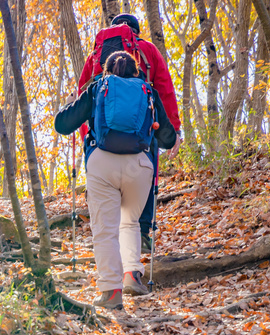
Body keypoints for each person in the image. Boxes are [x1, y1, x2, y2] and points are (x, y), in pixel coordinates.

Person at [55, 50, 177, 310]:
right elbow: (167, 138)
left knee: (105, 230)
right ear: (136, 71)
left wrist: (70, 104)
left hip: (103, 163)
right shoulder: (147, 91)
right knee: (130, 222)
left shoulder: (98, 86)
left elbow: (62, 125)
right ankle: (132, 275)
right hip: (140, 165)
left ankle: (111, 291)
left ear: (106, 70)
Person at [78, 13, 182, 252]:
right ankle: (143, 233)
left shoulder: (95, 55)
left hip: (100, 140)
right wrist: (173, 129)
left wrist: (86, 136)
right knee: (147, 176)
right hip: (142, 136)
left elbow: (84, 95)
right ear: (136, 31)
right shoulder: (147, 50)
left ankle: (109, 236)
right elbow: (164, 89)